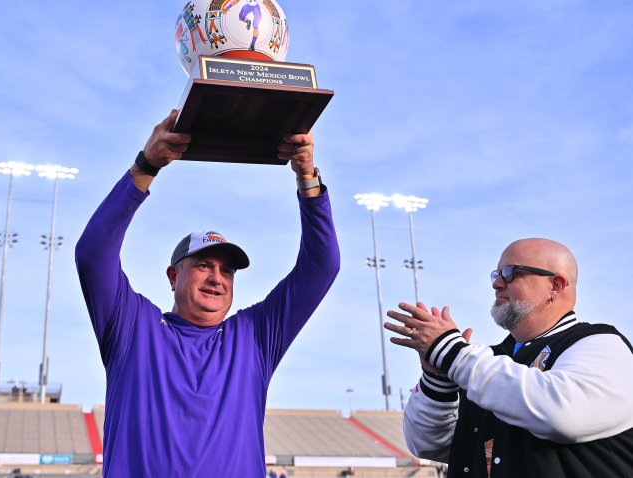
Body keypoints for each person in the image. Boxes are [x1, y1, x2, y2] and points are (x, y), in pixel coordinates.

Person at [75, 109, 340, 477]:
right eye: (203, 265)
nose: (218, 277)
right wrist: (145, 166)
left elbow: (321, 268)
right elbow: (92, 254)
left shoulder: (253, 337)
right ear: (173, 275)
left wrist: (308, 179)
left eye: (227, 270)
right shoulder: (133, 327)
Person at [384, 238, 633, 477]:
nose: (497, 284)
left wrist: (452, 353)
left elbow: (563, 414)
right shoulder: (489, 361)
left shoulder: (601, 344)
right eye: (496, 274)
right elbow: (428, 445)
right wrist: (437, 379)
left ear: (555, 286)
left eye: (510, 272)